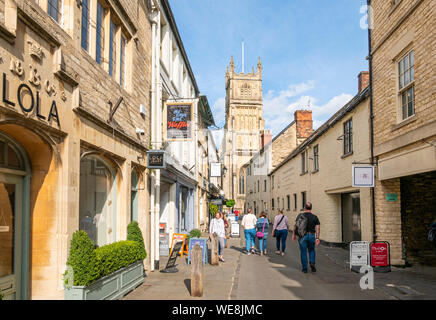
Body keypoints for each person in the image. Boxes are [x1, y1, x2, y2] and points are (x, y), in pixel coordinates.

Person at [293, 202, 320, 273]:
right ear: (311, 208)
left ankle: (305, 268)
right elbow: (317, 228)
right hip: (311, 235)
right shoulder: (315, 217)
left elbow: (295, 226)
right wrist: (317, 238)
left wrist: (293, 235)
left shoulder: (300, 216)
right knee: (311, 250)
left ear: (305, 208)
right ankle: (312, 262)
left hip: (302, 236)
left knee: (303, 252)